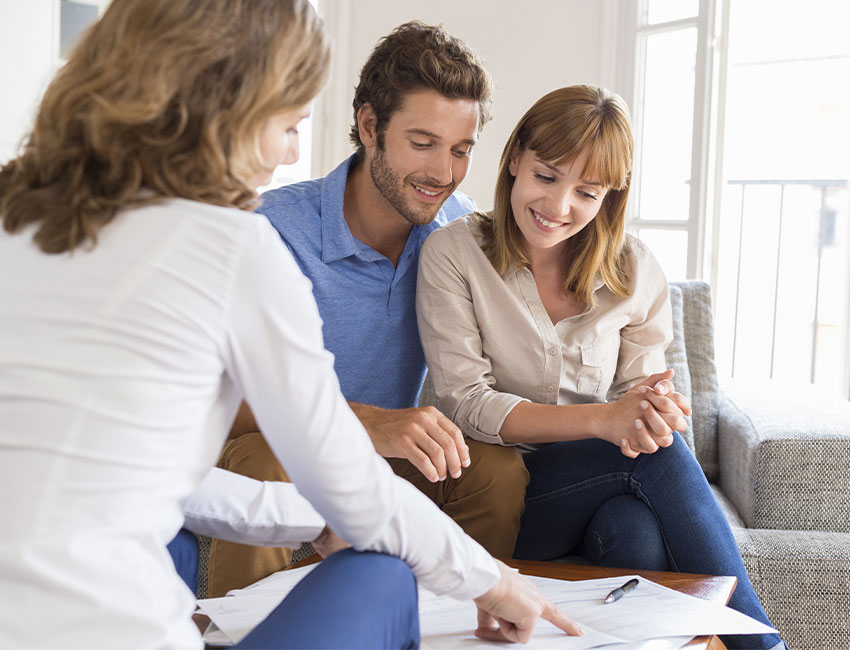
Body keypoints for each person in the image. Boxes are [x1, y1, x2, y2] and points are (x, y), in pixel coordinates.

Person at [0, 2, 582, 647]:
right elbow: (346, 483)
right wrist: (494, 583)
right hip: (134, 625)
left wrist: (308, 518)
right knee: (383, 574)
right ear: (220, 113)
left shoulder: (17, 221)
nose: (291, 151)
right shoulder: (237, 244)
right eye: (286, 123)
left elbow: (139, 468)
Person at [416, 85, 786, 650]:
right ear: (515, 158)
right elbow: (466, 401)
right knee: (649, 463)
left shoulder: (634, 269)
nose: (558, 207)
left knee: (632, 530)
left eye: (586, 192)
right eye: (546, 176)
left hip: (602, 487)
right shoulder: (453, 254)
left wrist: (654, 411)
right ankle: (763, 645)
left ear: (610, 196)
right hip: (499, 494)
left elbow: (640, 389)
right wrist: (606, 422)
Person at [207, 20, 529, 597]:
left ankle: (453, 624)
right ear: (369, 126)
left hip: (389, 459)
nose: (443, 173)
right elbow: (219, 404)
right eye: (422, 143)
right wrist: (370, 422)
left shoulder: (457, 231)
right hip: (286, 453)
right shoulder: (272, 231)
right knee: (263, 460)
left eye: (461, 150)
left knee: (496, 472)